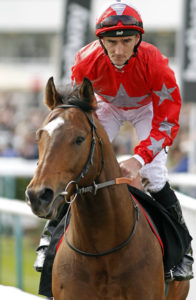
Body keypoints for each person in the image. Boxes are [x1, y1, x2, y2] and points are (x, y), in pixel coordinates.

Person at [35, 0, 193, 282]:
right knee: (81, 161)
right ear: (101, 41)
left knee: (154, 175)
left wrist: (139, 158)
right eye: (111, 43)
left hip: (147, 108)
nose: (119, 51)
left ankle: (184, 251)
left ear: (138, 39)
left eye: (127, 42)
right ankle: (50, 238)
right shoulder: (84, 61)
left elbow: (167, 121)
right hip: (106, 106)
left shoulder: (155, 63)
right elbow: (78, 111)